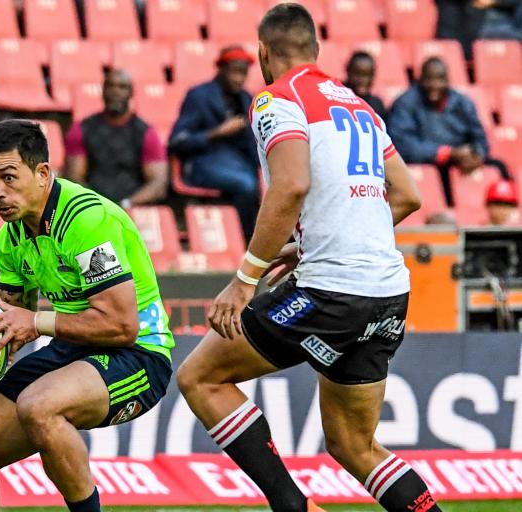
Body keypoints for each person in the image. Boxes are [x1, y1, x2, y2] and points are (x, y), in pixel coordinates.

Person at [176, 4, 439, 512]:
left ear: (263, 53)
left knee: (200, 377)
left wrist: (244, 278)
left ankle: (292, 507)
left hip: (331, 291)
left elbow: (291, 185)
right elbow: (405, 195)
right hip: (387, 295)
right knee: (353, 445)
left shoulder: (277, 99)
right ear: (317, 52)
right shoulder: (360, 106)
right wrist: (323, 239)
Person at [0, 120, 175, 512]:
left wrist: (32, 323)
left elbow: (120, 326)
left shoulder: (86, 221)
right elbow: (16, 320)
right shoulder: (10, 237)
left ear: (43, 173)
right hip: (73, 348)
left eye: (9, 177)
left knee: (40, 405)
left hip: (139, 354)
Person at [388, 57, 509, 206]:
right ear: (419, 79)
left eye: (439, 79)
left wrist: (476, 154)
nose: (434, 85)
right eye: (428, 79)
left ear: (447, 80)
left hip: (460, 162)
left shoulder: (463, 102)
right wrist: (447, 153)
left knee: (498, 166)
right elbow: (402, 144)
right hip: (427, 163)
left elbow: (481, 139)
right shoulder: (405, 103)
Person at [169, 45, 260, 242]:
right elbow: (177, 142)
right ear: (221, 69)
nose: (239, 78)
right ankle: (246, 241)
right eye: (235, 72)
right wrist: (217, 133)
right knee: (245, 184)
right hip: (202, 163)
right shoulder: (199, 96)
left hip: (238, 163)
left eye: (243, 73)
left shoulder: (245, 99)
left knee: (265, 184)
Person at [64, 69, 168, 209]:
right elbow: (74, 178)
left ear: (131, 93)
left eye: (122, 87)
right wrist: (97, 205)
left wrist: (127, 203)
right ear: (103, 91)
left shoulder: (146, 133)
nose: (115, 91)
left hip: (132, 207)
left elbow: (158, 183)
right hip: (91, 208)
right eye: (110, 86)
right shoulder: (81, 129)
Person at [344, 51, 387, 120]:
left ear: (373, 75)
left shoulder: (377, 105)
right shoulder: (335, 98)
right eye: (357, 73)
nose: (362, 80)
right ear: (348, 71)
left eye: (367, 75)